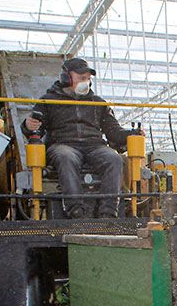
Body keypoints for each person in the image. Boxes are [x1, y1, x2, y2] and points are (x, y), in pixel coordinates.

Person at [22, 57, 132, 218]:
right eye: (81, 78)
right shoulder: (48, 101)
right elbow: (34, 127)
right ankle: (76, 210)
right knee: (65, 156)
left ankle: (109, 211)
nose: (85, 82)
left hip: (94, 146)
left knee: (113, 158)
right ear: (66, 77)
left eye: (87, 79)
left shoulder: (98, 103)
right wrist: (27, 126)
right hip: (63, 144)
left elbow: (113, 131)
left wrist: (131, 135)